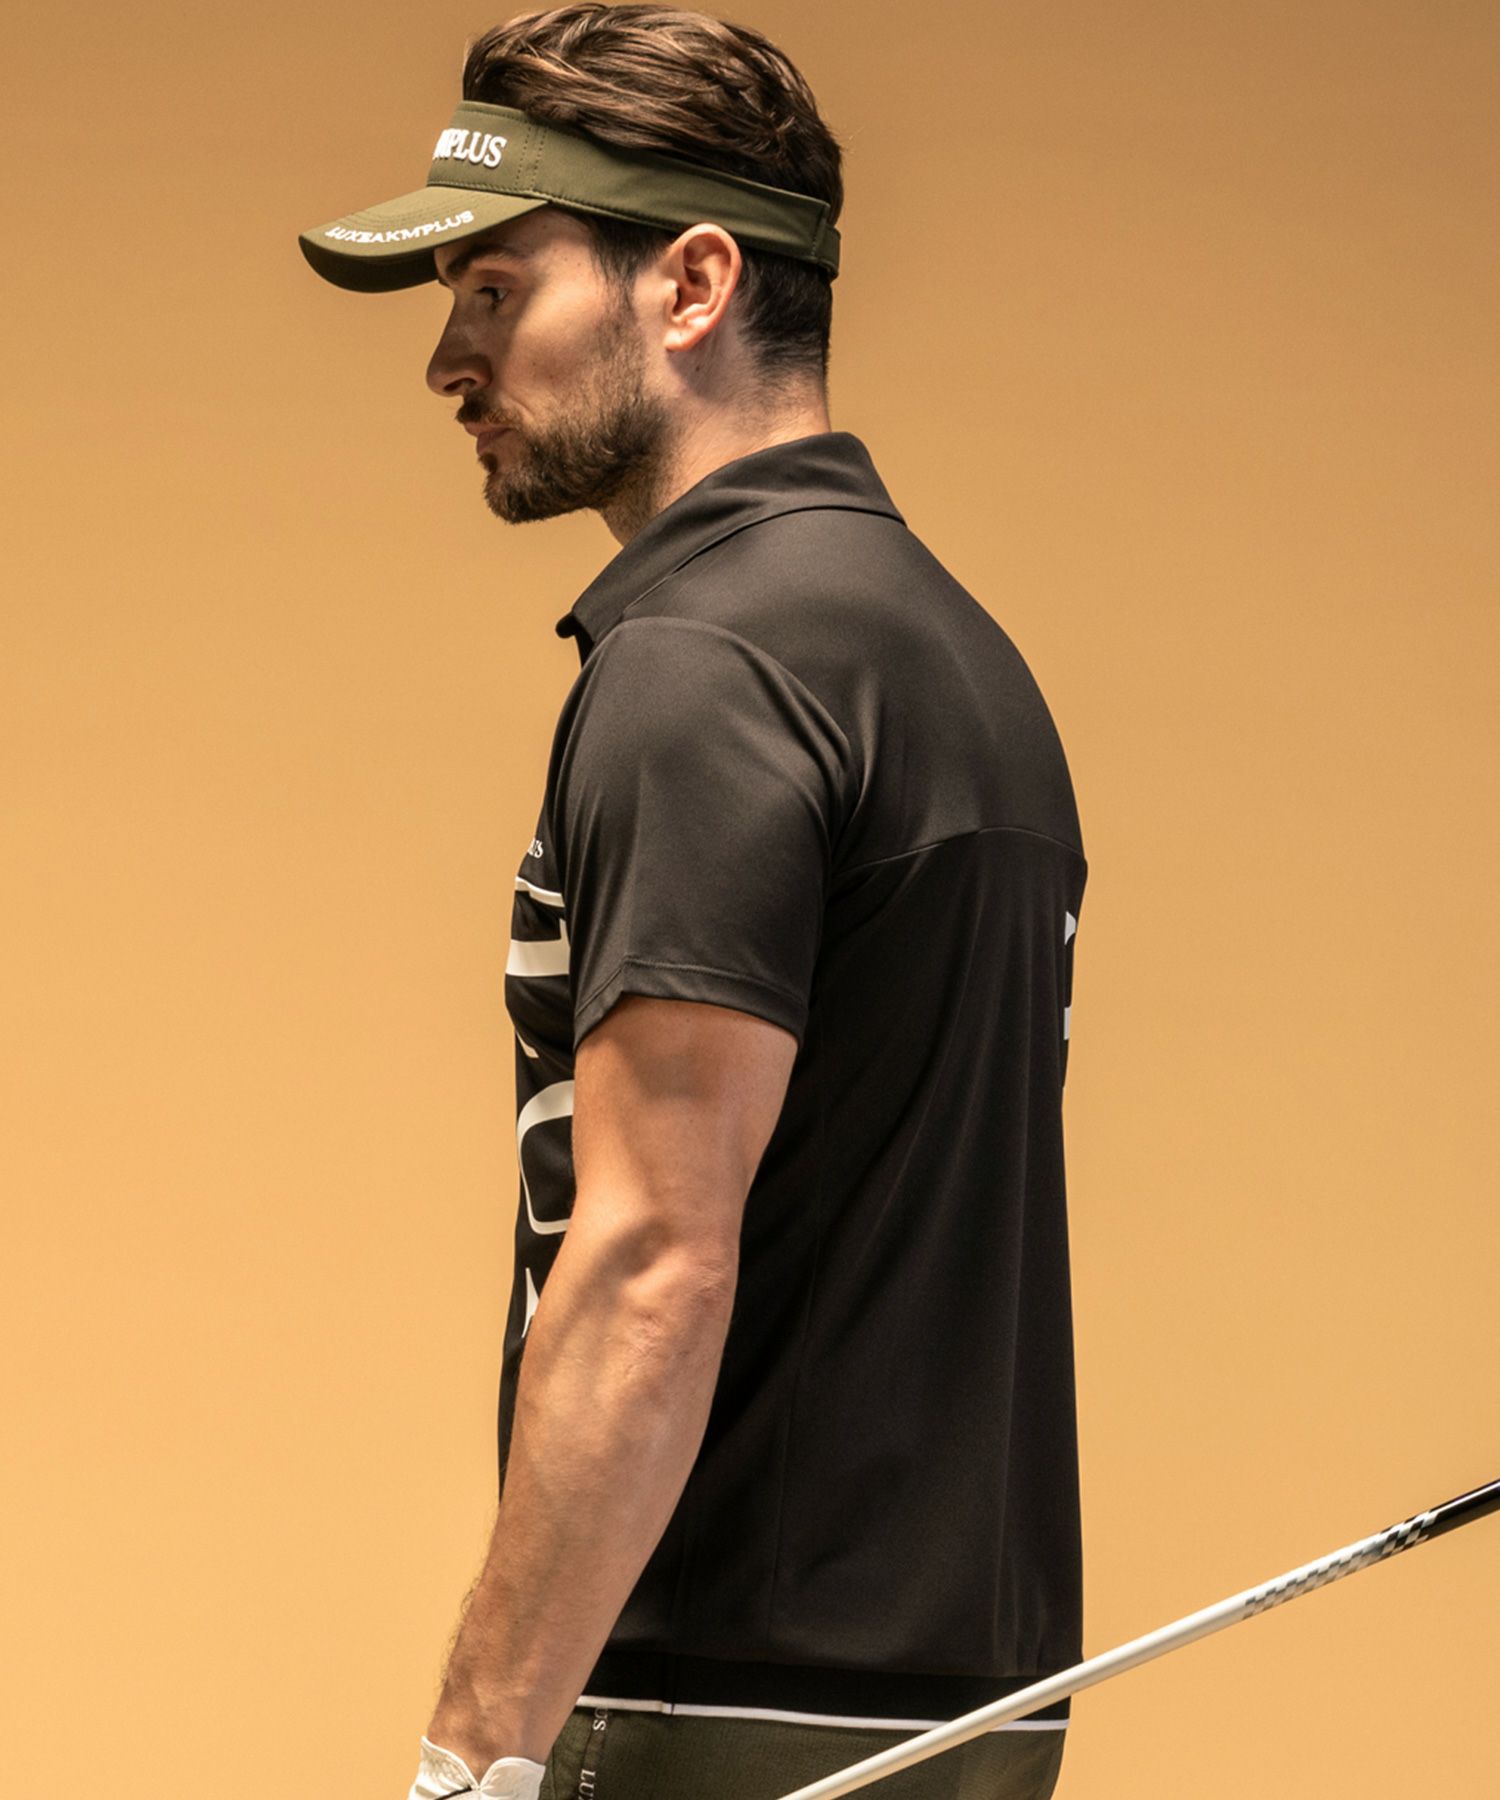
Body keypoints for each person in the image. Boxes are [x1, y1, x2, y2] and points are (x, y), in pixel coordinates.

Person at [298, 8, 1087, 1798]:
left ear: (694, 283)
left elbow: (653, 1253)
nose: (446, 359)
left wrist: (473, 1759)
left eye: (495, 291)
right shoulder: (947, 655)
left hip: (712, 1709)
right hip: (961, 1715)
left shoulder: (703, 669)